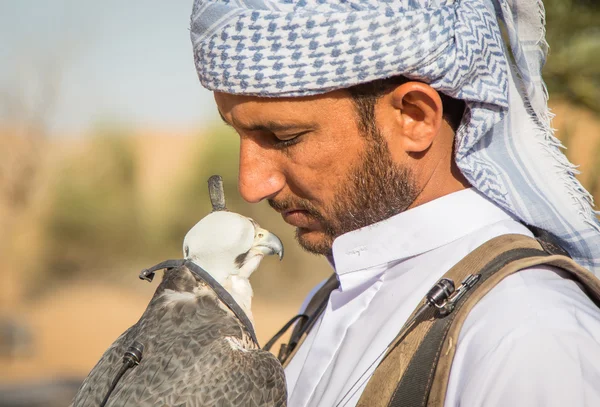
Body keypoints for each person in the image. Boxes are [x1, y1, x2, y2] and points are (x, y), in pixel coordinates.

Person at [189, 0, 600, 406]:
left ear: (415, 117)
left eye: (285, 137)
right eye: (237, 134)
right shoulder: (331, 296)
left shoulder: (526, 333)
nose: (252, 185)